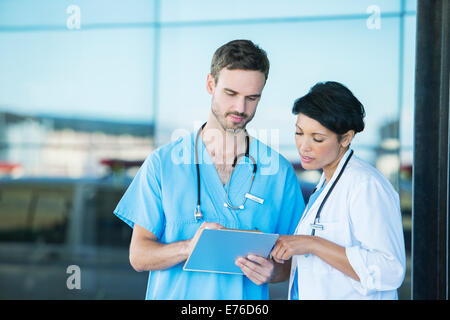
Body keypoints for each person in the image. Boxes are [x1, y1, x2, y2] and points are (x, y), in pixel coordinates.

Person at [113, 39, 305, 300]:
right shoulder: (164, 163)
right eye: (231, 94)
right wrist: (187, 248)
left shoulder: (278, 173)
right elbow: (139, 256)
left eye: (252, 98)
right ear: (210, 85)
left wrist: (273, 273)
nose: (241, 108)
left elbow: (295, 262)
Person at [271, 81, 406, 299]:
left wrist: (312, 244)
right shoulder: (325, 183)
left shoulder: (366, 185)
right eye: (299, 133)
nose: (304, 146)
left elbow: (389, 270)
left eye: (317, 138)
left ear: (346, 138)